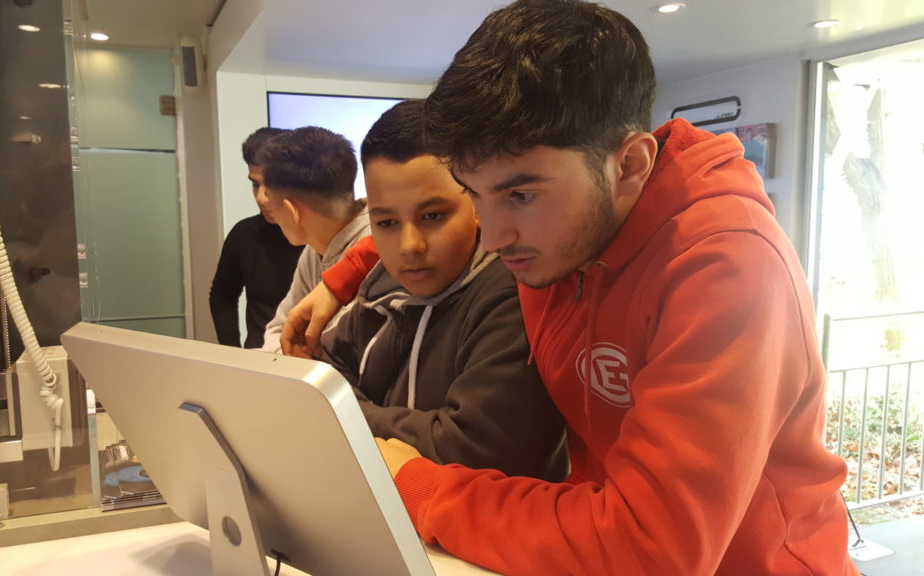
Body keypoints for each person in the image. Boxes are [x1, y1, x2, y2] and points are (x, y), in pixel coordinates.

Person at [281, 1, 857, 574]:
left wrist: (418, 486)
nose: (493, 235)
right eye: (474, 193)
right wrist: (338, 281)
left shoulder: (726, 269)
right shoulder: (560, 235)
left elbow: (652, 550)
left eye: (520, 195)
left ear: (629, 165)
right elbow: (414, 223)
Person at [317, 99, 566, 480]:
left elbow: (469, 451)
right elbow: (324, 366)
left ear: (477, 203)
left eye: (433, 216)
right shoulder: (384, 281)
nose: (410, 246)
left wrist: (345, 415)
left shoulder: (515, 294)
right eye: (386, 222)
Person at [257, 126, 370, 353]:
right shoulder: (314, 249)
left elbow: (342, 353)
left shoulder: (379, 248)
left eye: (268, 197)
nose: (260, 200)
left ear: (291, 211)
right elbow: (279, 329)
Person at [209, 127, 304, 348]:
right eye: (255, 184)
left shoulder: (316, 236)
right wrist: (232, 351)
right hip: (258, 356)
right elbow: (222, 295)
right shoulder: (244, 234)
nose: (261, 198)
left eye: (270, 184)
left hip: (310, 361)